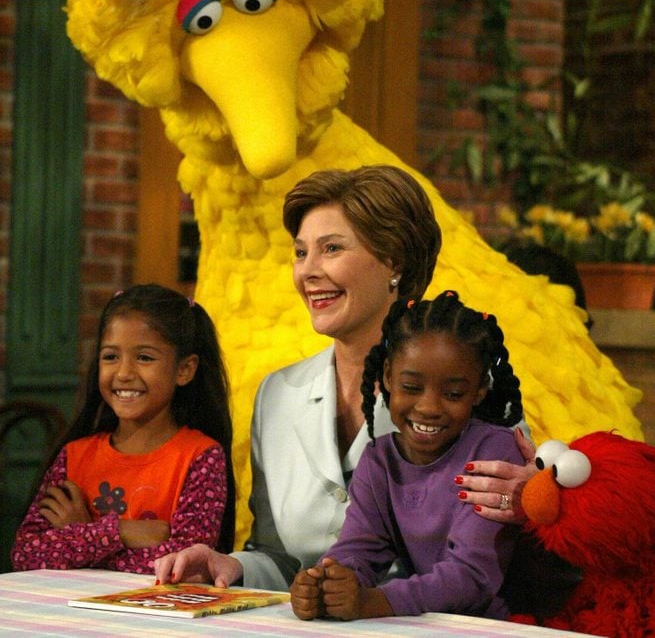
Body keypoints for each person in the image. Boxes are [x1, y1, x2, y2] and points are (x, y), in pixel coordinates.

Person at [155, 165, 534, 589]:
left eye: (331, 249)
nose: (307, 272)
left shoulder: (473, 388)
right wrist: (232, 567)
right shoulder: (277, 394)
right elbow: (279, 557)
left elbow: (502, 554)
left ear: (395, 260)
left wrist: (537, 503)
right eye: (301, 253)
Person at [290, 290, 525, 620]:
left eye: (454, 393)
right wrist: (327, 581)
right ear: (387, 377)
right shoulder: (379, 459)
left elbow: (472, 576)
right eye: (412, 388)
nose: (429, 407)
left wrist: (374, 602)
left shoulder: (494, 452)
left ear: (479, 390)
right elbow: (361, 547)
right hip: (426, 624)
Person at [11, 284, 235, 574]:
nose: (124, 373)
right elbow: (27, 554)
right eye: (110, 356)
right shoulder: (75, 455)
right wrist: (120, 531)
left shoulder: (200, 456)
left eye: (144, 357)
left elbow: (185, 565)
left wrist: (83, 534)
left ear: (184, 370)